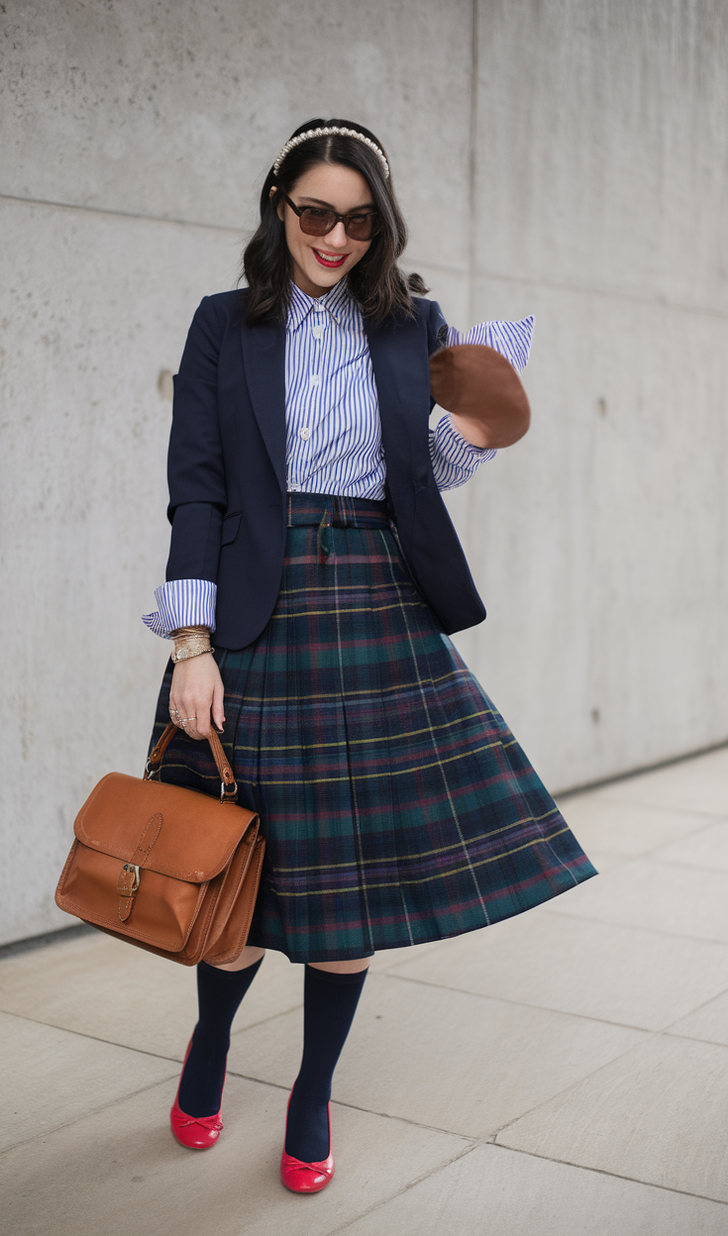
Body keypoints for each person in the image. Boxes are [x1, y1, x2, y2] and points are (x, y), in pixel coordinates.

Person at [143, 119, 596, 1193]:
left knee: (347, 885)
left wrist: (480, 423)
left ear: (379, 224)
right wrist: (189, 645)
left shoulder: (410, 325)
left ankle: (311, 1089)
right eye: (314, 213)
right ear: (276, 203)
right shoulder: (223, 326)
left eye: (357, 219)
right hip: (254, 612)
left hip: (373, 601)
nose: (334, 237)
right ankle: (209, 1041)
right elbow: (196, 489)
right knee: (235, 875)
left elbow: (417, 472)